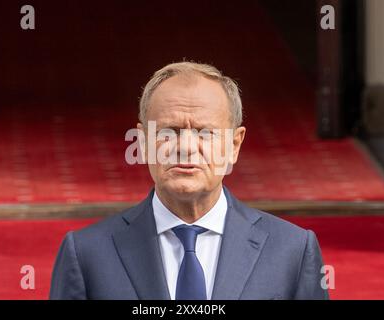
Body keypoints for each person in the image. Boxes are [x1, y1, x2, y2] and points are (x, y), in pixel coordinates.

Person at [50, 61, 329, 300]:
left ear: (234, 144)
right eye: (168, 132)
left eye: (204, 133)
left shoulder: (292, 249)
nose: (186, 146)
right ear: (143, 141)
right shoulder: (87, 253)